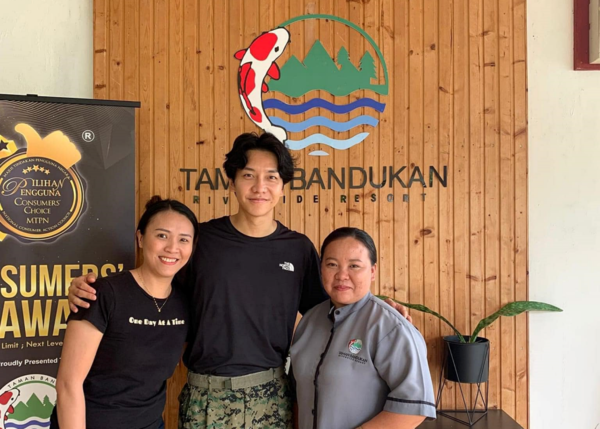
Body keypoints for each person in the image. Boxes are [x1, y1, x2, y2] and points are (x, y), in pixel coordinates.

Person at [68, 133, 411, 429]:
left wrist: (378, 308)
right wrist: (88, 292)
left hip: (271, 394)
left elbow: (334, 307)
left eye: (271, 177)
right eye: (248, 175)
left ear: (283, 186)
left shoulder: (298, 248)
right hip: (204, 394)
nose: (259, 187)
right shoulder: (200, 241)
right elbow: (154, 287)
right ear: (231, 181)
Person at [51, 197, 199, 429]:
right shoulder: (102, 293)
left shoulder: (186, 302)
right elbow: (68, 384)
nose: (172, 248)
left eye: (184, 240)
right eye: (162, 235)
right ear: (140, 238)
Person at [290, 227, 436, 429]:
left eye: (354, 266)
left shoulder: (392, 328)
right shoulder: (308, 321)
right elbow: (299, 393)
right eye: (332, 264)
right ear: (320, 268)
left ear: (373, 271)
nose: (342, 275)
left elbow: (414, 409)